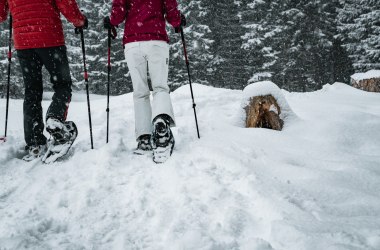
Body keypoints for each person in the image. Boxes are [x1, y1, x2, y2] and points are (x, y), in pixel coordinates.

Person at [0, 0, 88, 162]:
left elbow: (1, 15)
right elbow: (66, 4)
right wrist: (80, 21)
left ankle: (34, 143)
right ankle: (55, 119)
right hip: (50, 39)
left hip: (24, 43)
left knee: (32, 91)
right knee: (62, 85)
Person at [104, 0, 186, 163]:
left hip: (133, 43)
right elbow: (171, 10)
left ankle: (144, 138)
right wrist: (178, 21)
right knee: (160, 87)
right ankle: (161, 128)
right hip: (156, 40)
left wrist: (110, 21)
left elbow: (118, 13)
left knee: (140, 92)